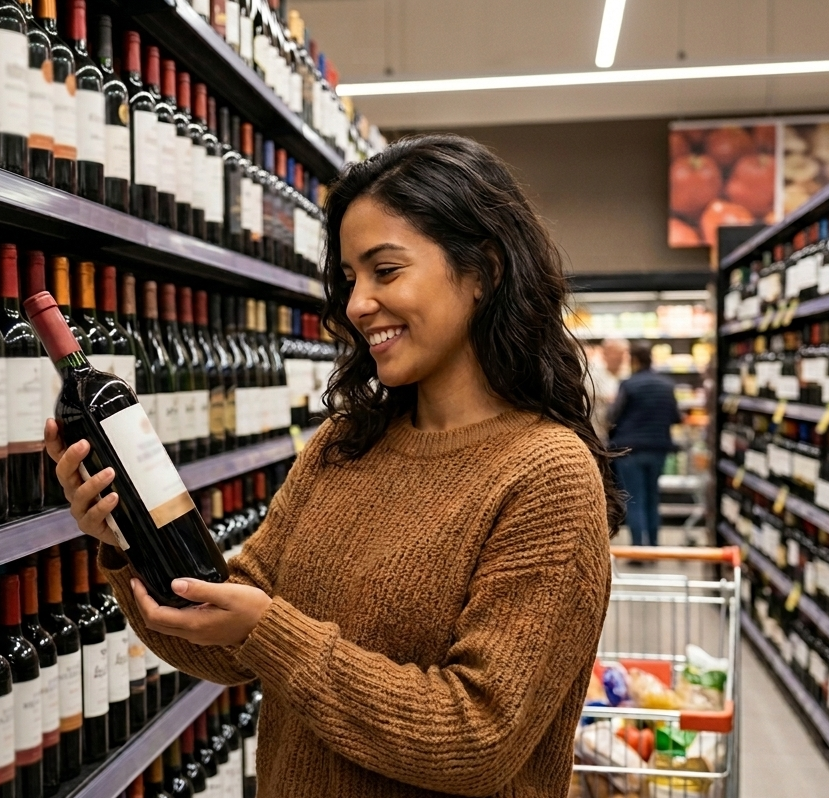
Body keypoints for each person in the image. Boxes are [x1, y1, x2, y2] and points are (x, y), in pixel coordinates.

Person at [45, 134, 619, 798]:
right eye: (348, 279)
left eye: (385, 270)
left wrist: (272, 633)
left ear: (482, 271)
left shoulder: (545, 475)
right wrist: (122, 539)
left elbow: (476, 739)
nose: (355, 305)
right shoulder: (346, 445)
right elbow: (220, 641)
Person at [608, 343, 682, 548]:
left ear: (635, 360)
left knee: (634, 498)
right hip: (658, 449)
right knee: (652, 498)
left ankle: (639, 546)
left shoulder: (629, 384)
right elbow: (676, 416)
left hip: (630, 449)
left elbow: (613, 415)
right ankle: (655, 546)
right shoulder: (666, 385)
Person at [587, 337, 629, 442]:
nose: (617, 357)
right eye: (614, 353)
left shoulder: (628, 374)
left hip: (621, 433)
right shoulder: (592, 373)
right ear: (604, 354)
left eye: (621, 353)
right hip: (596, 431)